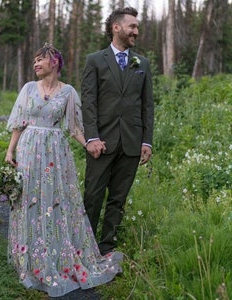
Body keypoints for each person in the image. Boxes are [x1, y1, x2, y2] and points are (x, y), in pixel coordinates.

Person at [4, 43, 122, 298]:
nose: (36, 64)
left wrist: (89, 145)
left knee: (55, 202)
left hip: (56, 154)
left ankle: (59, 254)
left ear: (54, 63)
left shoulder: (68, 92)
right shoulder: (27, 89)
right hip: (29, 150)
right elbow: (18, 123)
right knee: (29, 201)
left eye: (40, 60)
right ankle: (29, 257)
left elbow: (74, 127)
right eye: (34, 60)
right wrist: (10, 151)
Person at [81, 7, 154, 256]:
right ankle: (85, 247)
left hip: (132, 144)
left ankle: (107, 247)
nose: (136, 31)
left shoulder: (142, 63)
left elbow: (147, 106)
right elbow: (88, 102)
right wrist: (91, 137)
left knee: (118, 199)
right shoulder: (95, 60)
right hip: (101, 142)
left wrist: (147, 141)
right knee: (92, 196)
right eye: (132, 26)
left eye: (136, 26)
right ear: (116, 27)